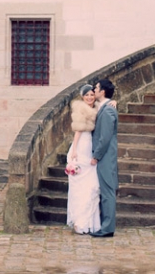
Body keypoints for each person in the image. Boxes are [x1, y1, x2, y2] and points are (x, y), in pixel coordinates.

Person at [65, 84, 101, 235]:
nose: (90, 98)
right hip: (82, 146)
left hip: (90, 145)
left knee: (91, 185)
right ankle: (81, 222)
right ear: (82, 97)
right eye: (87, 95)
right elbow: (78, 131)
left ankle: (90, 223)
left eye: (92, 95)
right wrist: (74, 151)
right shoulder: (81, 109)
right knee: (81, 187)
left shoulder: (97, 108)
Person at [90, 78, 118, 237]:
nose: (94, 89)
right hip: (105, 156)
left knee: (107, 192)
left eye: (97, 87)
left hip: (106, 156)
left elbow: (105, 137)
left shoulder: (107, 110)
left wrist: (96, 155)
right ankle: (105, 225)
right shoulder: (105, 106)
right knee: (105, 192)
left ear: (103, 91)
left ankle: (107, 228)